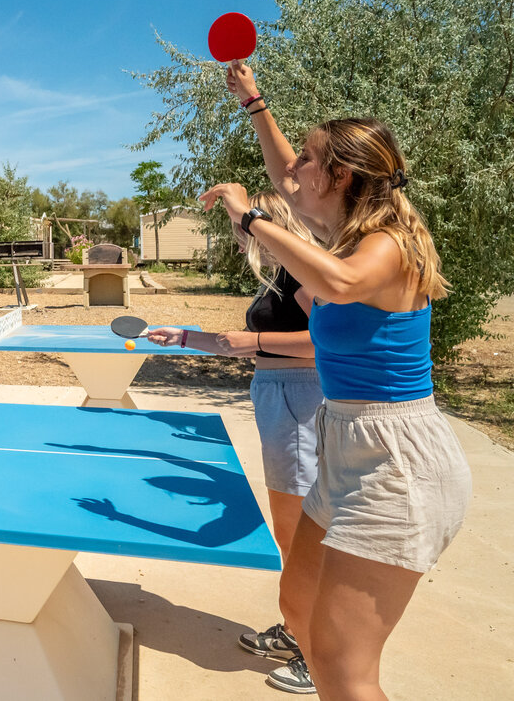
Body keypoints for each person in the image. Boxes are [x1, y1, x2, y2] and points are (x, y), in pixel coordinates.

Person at [199, 63, 471, 698]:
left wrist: (249, 220)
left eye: (310, 160)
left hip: (396, 461)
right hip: (345, 449)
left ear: (342, 176)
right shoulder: (344, 236)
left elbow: (336, 286)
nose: (293, 175)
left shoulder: (386, 246)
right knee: (302, 618)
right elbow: (284, 179)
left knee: (345, 672)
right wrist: (254, 103)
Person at [148, 189, 323, 690]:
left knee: (297, 538)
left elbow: (334, 341)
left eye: (244, 220)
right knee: (290, 532)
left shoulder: (300, 275)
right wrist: (184, 336)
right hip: (280, 399)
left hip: (298, 403)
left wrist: (257, 342)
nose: (238, 228)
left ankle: (316, 652)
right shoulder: (281, 274)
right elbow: (240, 345)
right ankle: (295, 631)